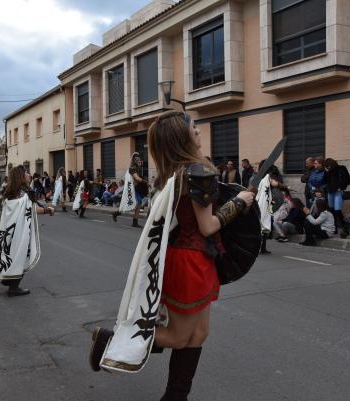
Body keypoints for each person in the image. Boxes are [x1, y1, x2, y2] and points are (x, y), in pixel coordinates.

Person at [89, 111, 255, 400]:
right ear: (183, 137)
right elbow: (207, 226)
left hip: (195, 259)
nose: (199, 131)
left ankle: (176, 396)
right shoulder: (198, 173)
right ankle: (111, 341)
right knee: (179, 336)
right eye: (194, 128)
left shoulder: (176, 173)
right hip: (190, 262)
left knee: (199, 334)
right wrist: (239, 204)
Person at [0, 165, 54, 297]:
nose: (29, 175)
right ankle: (14, 288)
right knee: (21, 255)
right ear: (21, 176)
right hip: (19, 233)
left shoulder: (8, 190)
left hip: (7, 231)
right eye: (27, 173)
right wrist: (48, 210)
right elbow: (34, 209)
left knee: (10, 254)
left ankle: (8, 279)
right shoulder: (24, 194)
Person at [112, 153, 148, 227]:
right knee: (135, 203)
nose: (140, 163)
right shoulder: (133, 168)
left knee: (133, 204)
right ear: (135, 162)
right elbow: (137, 178)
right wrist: (147, 182)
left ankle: (117, 213)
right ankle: (134, 222)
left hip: (135, 189)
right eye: (138, 162)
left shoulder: (136, 168)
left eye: (140, 161)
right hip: (131, 189)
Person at [324, 158, 350, 232]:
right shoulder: (328, 171)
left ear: (331, 164)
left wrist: (341, 187)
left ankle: (345, 225)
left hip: (338, 192)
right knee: (331, 210)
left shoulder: (342, 168)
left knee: (337, 210)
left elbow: (348, 180)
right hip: (330, 192)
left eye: (328, 166)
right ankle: (334, 227)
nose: (327, 167)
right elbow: (325, 181)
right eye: (326, 166)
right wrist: (326, 172)